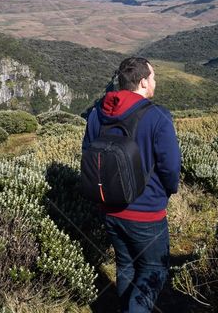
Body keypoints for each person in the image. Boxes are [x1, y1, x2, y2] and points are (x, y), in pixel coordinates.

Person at [82, 57, 181, 312]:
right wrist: (167, 192)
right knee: (153, 271)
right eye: (153, 78)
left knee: (126, 265)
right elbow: (170, 168)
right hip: (147, 213)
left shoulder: (96, 114)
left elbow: (87, 154)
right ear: (143, 82)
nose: (155, 82)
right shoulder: (158, 116)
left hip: (109, 209)